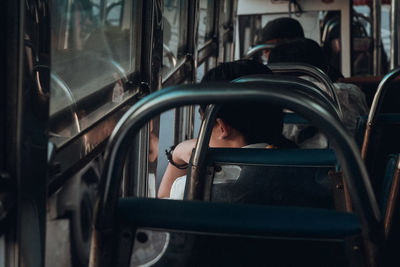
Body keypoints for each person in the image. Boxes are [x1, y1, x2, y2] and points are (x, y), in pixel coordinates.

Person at [157, 60, 295, 199]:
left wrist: (177, 154)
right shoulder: (304, 166)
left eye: (203, 121)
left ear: (222, 128)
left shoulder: (197, 188)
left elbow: (163, 205)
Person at [268, 38, 369, 147]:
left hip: (280, 161)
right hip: (346, 161)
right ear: (327, 69)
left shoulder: (264, 100)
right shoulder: (349, 93)